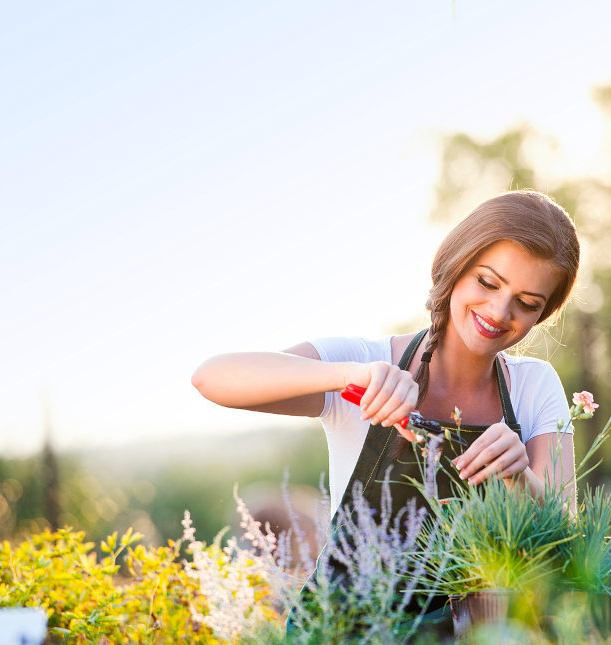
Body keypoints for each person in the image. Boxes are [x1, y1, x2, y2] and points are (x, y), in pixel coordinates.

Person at [192, 190, 581, 528]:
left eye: (527, 303)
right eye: (487, 282)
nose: (499, 311)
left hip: (489, 616)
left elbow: (568, 543)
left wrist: (520, 478)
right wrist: (351, 376)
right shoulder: (365, 359)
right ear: (458, 264)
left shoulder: (535, 385)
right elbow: (212, 378)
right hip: (357, 615)